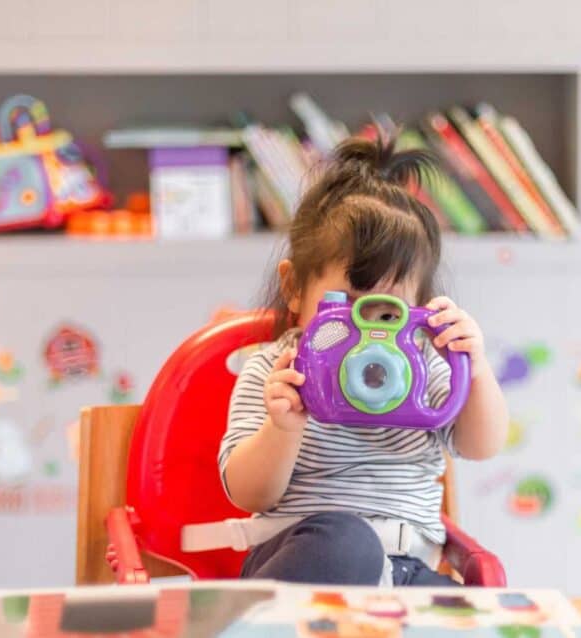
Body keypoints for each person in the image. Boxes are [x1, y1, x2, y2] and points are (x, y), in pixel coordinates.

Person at [218, 132, 509, 586]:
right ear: (295, 288)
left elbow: (481, 445)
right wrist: (282, 428)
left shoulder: (422, 366)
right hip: (309, 561)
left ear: (419, 308)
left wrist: (474, 365)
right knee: (347, 543)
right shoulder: (276, 370)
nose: (367, 333)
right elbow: (247, 492)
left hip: (408, 570)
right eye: (347, 306)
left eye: (387, 312)